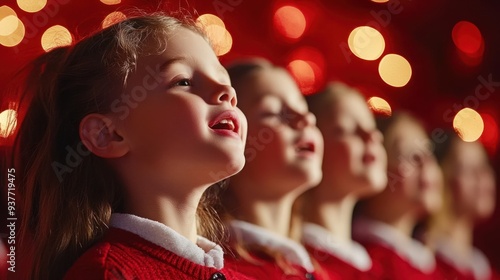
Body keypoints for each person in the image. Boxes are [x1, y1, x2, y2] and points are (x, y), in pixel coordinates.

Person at [15, 13, 251, 279]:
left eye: (225, 80)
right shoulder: (108, 273)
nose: (227, 92)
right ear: (108, 135)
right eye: (183, 81)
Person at [219, 58, 325, 279]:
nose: (306, 118)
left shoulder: (315, 270)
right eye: (274, 112)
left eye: (302, 107)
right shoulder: (222, 269)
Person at [300, 82, 387, 279]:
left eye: (371, 126)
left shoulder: (375, 267)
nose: (372, 135)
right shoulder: (300, 266)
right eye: (346, 128)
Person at [353, 112, 443, 279]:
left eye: (429, 153)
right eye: (411, 155)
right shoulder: (368, 266)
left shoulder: (427, 264)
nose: (426, 163)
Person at [427, 132, 497, 280]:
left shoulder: (484, 270)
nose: (481, 176)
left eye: (484, 165)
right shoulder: (426, 265)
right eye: (466, 168)